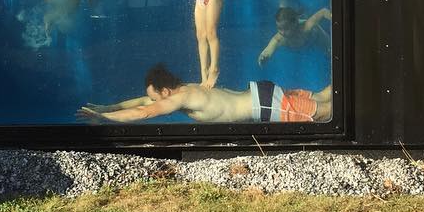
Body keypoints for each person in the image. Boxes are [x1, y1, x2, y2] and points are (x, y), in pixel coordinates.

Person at [76, 64, 333, 124]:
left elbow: (144, 112)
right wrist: (106, 108)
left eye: (156, 98)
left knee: (327, 113)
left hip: (264, 105)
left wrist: (104, 119)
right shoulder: (187, 89)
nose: (155, 103)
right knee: (323, 97)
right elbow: (142, 102)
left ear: (165, 91)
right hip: (261, 92)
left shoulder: (180, 98)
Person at [257, 0, 332, 65]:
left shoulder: (306, 27)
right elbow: (269, 48)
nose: (282, 32)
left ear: (295, 24)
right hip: (291, 21)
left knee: (329, 48)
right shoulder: (279, 38)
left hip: (314, 34)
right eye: (279, 28)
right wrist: (264, 57)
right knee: (283, 11)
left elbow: (323, 12)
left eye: (286, 29)